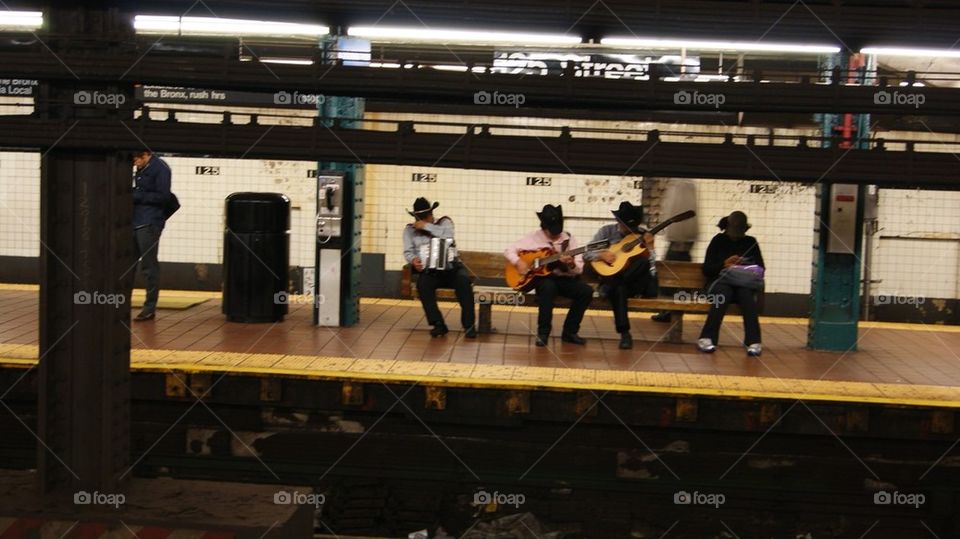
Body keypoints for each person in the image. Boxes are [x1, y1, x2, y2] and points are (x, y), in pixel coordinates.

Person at [504, 204, 592, 347]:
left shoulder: (569, 240)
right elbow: (509, 250)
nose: (556, 234)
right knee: (547, 288)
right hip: (544, 279)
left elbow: (579, 270)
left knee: (586, 292)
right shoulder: (533, 238)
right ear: (544, 227)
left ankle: (570, 332)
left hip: (565, 279)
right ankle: (543, 333)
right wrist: (519, 262)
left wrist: (570, 264)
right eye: (552, 231)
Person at [583, 201, 657, 349]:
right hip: (619, 284)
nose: (630, 229)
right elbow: (586, 253)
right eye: (626, 225)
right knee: (620, 289)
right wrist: (600, 255)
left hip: (636, 283)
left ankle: (609, 286)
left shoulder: (643, 235)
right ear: (618, 221)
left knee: (643, 263)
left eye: (633, 226)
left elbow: (653, 270)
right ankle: (625, 334)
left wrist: (651, 248)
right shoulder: (607, 233)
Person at [403, 197, 477, 338]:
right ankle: (438, 324)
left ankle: (469, 326)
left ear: (431, 214)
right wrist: (413, 260)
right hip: (430, 271)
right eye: (421, 217)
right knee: (423, 285)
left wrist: (425, 226)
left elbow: (448, 235)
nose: (426, 219)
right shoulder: (409, 230)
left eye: (427, 216)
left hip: (452, 269)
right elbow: (408, 251)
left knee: (464, 282)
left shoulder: (444, 222)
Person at [697, 211, 765, 356]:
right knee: (721, 297)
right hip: (720, 282)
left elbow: (760, 268)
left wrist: (743, 266)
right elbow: (707, 269)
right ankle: (707, 337)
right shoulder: (718, 240)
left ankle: (753, 341)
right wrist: (724, 264)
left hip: (743, 283)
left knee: (747, 298)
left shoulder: (750, 242)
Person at [132, 150, 172, 322]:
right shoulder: (143, 168)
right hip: (137, 220)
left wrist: (135, 195)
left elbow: (163, 196)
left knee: (149, 266)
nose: (135, 164)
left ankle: (149, 308)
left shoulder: (160, 168)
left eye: (136, 160)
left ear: (145, 155)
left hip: (150, 222)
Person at [652, 179, 699, 323]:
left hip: (675, 247)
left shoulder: (677, 188)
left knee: (667, 280)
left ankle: (666, 311)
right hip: (686, 248)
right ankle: (671, 312)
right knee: (682, 283)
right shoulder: (691, 193)